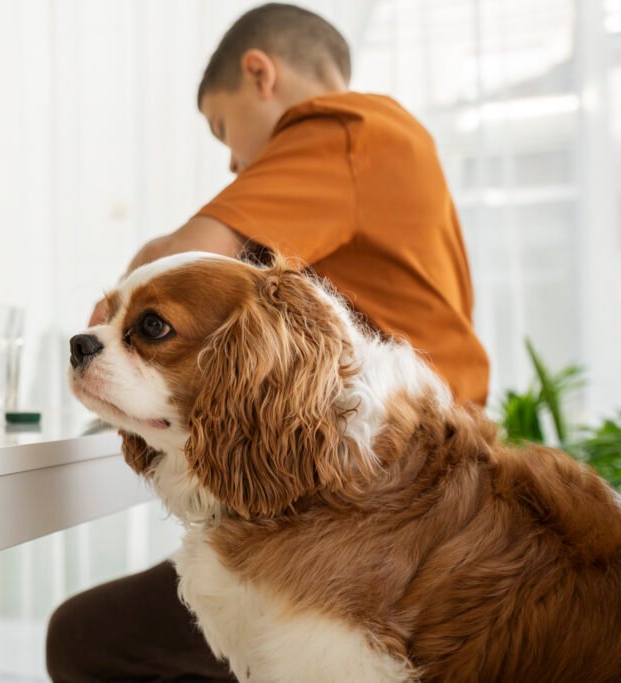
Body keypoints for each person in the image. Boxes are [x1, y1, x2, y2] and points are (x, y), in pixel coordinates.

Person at [48, 4, 490, 681]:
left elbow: (174, 258)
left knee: (90, 638)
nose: (231, 160)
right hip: (423, 479)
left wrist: (119, 323)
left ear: (261, 73)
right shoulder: (400, 147)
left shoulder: (343, 132)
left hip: (377, 501)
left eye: (223, 127)